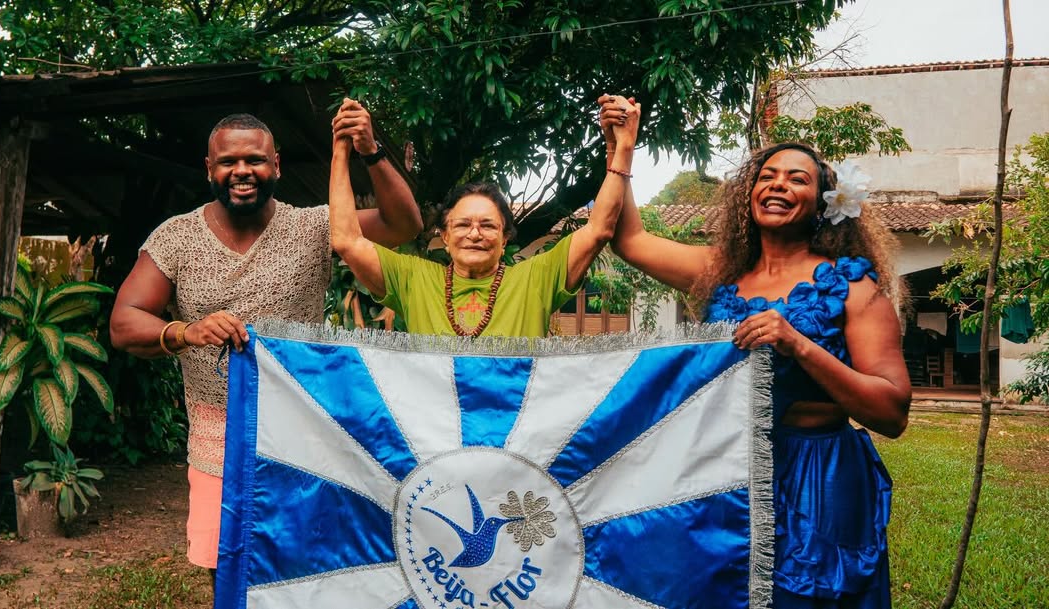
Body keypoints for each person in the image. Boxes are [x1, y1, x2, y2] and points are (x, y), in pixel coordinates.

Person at [109, 104, 423, 575]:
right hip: (219, 439)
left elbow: (405, 226)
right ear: (209, 169)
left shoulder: (314, 226)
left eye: (255, 160)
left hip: (303, 433)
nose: (242, 171)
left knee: (302, 568)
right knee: (228, 568)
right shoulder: (176, 238)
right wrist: (183, 331)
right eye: (228, 161)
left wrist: (371, 152)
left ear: (275, 165)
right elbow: (123, 322)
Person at [611, 142, 911, 608]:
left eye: (797, 179)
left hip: (817, 475)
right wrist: (622, 148)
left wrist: (799, 344)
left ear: (824, 202)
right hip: (727, 469)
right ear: (749, 194)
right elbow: (630, 241)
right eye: (768, 176)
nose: (778, 185)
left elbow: (892, 411)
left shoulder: (852, 286)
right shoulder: (720, 272)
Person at [328, 94, 640, 338]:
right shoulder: (412, 279)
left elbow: (599, 229)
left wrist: (621, 147)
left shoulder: (536, 279)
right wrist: (346, 150)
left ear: (505, 238)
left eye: (488, 225)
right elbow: (346, 240)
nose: (475, 234)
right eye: (462, 224)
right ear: (445, 236)